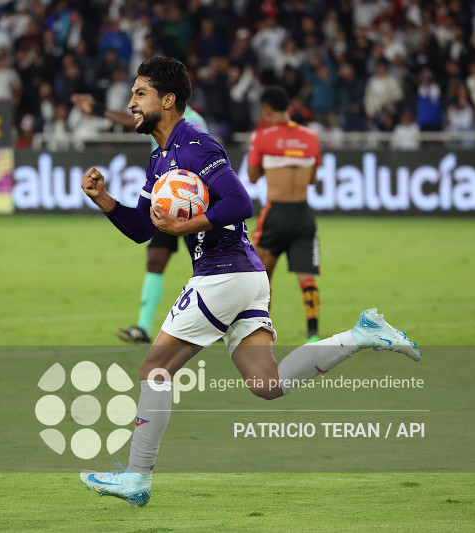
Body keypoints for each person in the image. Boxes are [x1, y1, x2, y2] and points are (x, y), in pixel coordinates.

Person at [79, 56, 421, 508]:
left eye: (140, 93)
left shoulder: (198, 145)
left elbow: (241, 202)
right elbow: (145, 228)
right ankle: (360, 334)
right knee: (267, 384)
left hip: (222, 275)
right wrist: (104, 199)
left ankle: (138, 478)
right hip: (246, 277)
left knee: (153, 370)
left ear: (168, 100)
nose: (131, 102)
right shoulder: (159, 158)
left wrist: (190, 225)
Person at [71, 91, 208, 344]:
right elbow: (130, 120)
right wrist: (98, 108)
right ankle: (143, 327)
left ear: (170, 99)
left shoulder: (193, 123)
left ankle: (221, 323)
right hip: (163, 200)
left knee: (205, 265)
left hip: (190, 206)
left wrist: (98, 109)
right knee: (155, 259)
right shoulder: (157, 124)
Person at [247, 86, 323, 342]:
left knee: (260, 276)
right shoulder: (310, 136)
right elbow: (312, 178)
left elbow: (252, 176)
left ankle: (259, 328)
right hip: (303, 213)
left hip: (276, 213)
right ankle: (313, 333)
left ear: (267, 110)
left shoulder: (262, 137)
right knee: (307, 276)